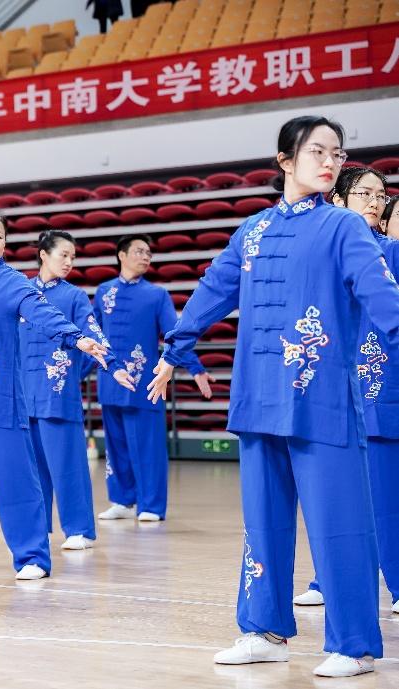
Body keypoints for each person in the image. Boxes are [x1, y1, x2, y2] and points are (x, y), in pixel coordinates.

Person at [148, 115, 399, 677]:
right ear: (285, 160)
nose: (330, 162)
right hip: (258, 398)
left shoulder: (344, 227)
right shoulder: (253, 230)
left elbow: (383, 299)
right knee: (262, 524)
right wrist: (174, 350)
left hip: (322, 400)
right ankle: (264, 631)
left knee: (340, 524)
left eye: (337, 152)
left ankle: (355, 644)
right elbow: (213, 291)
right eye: (317, 151)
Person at [0, 211, 115, 581]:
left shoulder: (11, 281)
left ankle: (32, 556)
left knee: (14, 479)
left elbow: (42, 313)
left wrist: (76, 337)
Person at [291, 166, 399, 616]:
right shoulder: (318, 253)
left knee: (385, 499)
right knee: (332, 499)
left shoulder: (389, 251)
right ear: (337, 199)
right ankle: (327, 579)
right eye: (365, 193)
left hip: (378, 390)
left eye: (381, 195)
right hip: (328, 388)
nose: (375, 201)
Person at [21, 230, 135, 551]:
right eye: (64, 255)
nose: (69, 262)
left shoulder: (74, 296)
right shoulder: (21, 293)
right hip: (23, 394)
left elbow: (93, 333)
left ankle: (79, 530)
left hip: (58, 393)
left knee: (68, 465)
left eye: (73, 257)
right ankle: (36, 531)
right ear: (43, 254)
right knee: (30, 471)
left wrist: (113, 365)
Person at [92, 234, 212, 523]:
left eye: (148, 252)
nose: (145, 257)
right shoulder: (103, 291)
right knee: (115, 446)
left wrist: (195, 368)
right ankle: (122, 501)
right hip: (110, 382)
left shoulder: (157, 295)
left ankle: (152, 506)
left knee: (149, 448)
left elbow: (175, 334)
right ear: (121, 255)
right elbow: (93, 335)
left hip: (146, 383)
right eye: (139, 251)